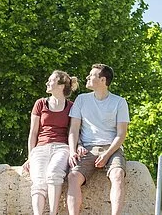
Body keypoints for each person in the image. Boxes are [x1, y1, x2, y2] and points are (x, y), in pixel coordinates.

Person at [67, 64, 129, 215]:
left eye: (91, 75)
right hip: (87, 147)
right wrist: (73, 150)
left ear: (102, 80)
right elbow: (73, 129)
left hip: (111, 148)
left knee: (118, 175)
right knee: (73, 176)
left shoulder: (119, 102)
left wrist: (107, 155)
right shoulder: (81, 100)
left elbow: (121, 134)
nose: (87, 77)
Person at [22, 70, 79, 215]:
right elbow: (33, 133)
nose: (47, 83)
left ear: (60, 86)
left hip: (61, 147)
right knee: (39, 182)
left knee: (54, 174)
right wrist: (30, 157)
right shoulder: (40, 104)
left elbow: (73, 131)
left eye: (51, 80)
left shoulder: (71, 106)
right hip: (40, 148)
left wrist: (73, 151)